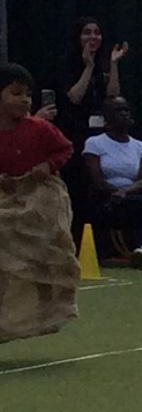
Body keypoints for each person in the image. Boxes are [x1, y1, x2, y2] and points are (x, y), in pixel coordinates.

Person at [0, 64, 81, 343]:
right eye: (16, 93)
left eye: (28, 95)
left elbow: (65, 148)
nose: (25, 100)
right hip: (7, 192)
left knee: (49, 243)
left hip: (41, 191)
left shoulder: (39, 128)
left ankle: (52, 305)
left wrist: (48, 165)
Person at [56, 19, 127, 245]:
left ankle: (102, 241)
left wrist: (113, 64)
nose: (93, 37)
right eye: (87, 33)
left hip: (100, 134)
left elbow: (113, 96)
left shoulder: (104, 62)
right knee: (78, 185)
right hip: (75, 132)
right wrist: (88, 66)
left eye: (97, 33)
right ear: (78, 37)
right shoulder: (69, 63)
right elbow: (74, 97)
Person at [83, 97, 142, 266]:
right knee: (138, 205)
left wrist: (125, 192)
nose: (124, 114)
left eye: (126, 110)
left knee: (138, 204)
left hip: (133, 197)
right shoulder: (94, 143)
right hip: (105, 200)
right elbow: (96, 179)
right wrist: (114, 192)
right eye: (118, 111)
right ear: (107, 118)